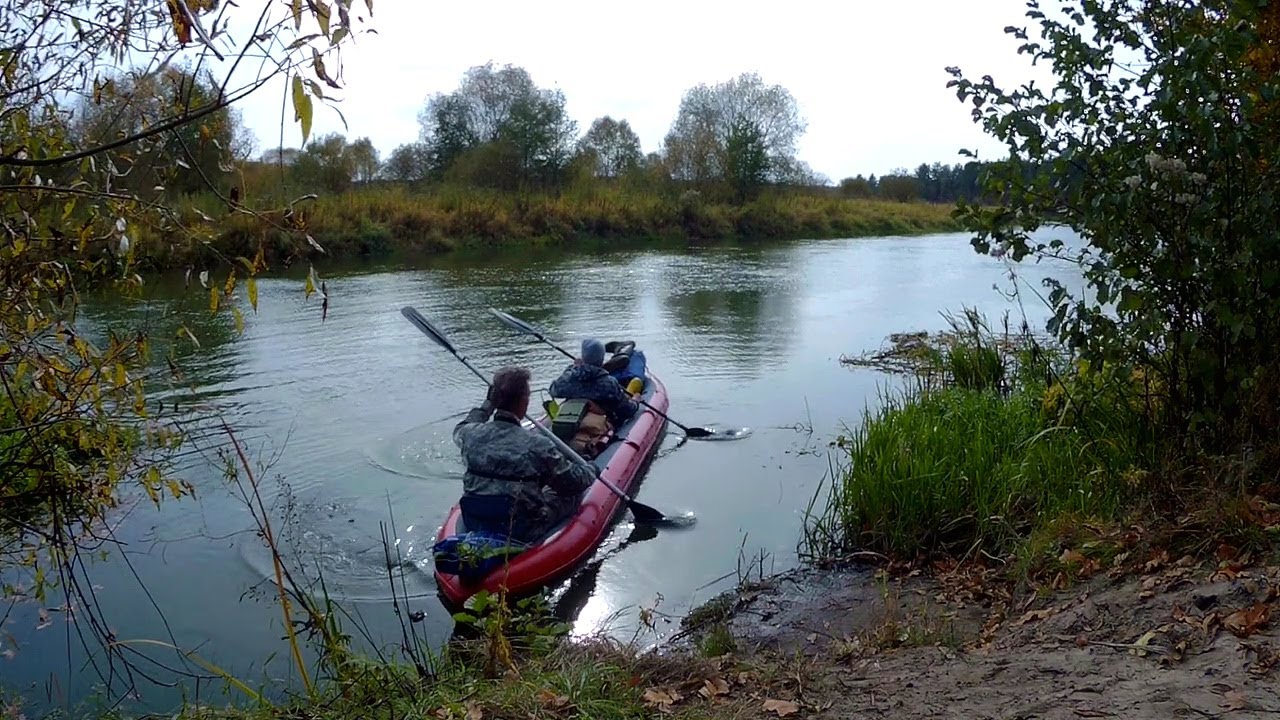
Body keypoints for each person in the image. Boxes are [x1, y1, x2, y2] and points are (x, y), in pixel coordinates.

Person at [452, 366, 596, 545]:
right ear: (523, 401)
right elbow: (572, 483)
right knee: (566, 495)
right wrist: (590, 468)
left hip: (476, 519)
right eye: (527, 395)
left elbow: (462, 426)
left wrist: (487, 405)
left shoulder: (470, 435)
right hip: (523, 528)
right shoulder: (537, 444)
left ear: (495, 398)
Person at [548, 338, 644, 428]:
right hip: (600, 424)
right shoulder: (609, 383)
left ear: (583, 357)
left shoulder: (569, 379)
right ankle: (623, 350)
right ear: (602, 359)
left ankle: (620, 351)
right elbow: (627, 411)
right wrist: (635, 401)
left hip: (572, 421)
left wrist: (573, 368)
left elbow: (553, 390)